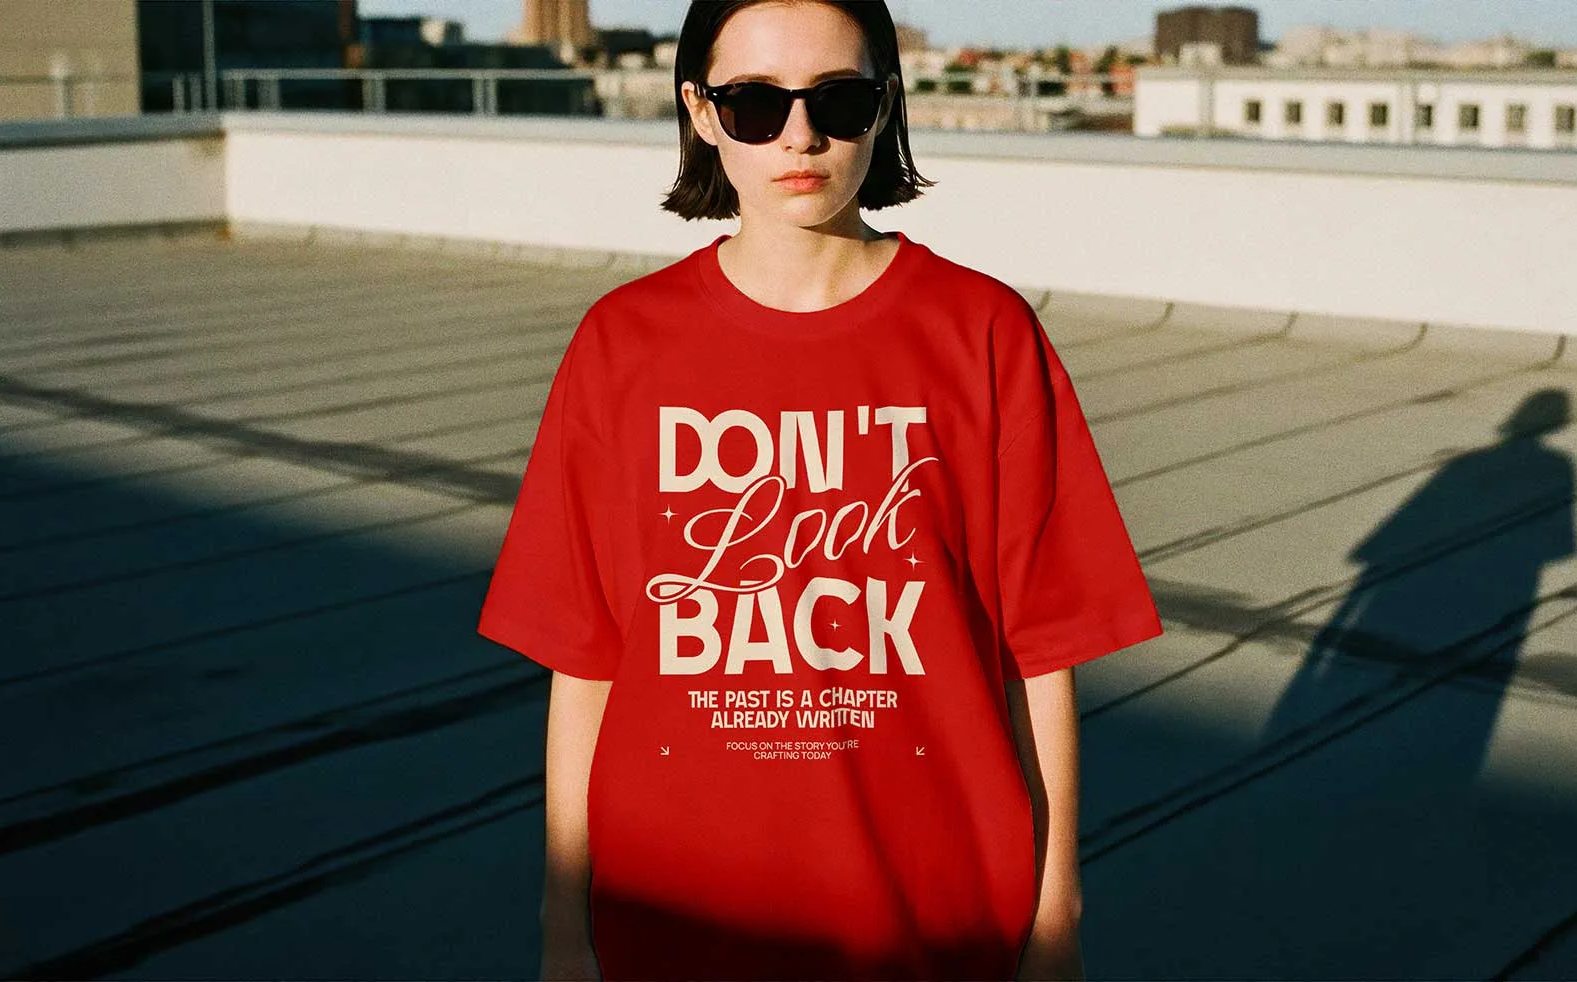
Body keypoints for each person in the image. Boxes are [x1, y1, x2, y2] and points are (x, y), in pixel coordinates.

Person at [476, 2, 1163, 979]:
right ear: (700, 112)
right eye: (754, 103)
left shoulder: (983, 335)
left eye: (836, 100)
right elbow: (585, 665)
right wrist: (562, 929)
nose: (799, 135)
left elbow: (1039, 658)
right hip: (676, 921)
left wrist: (1058, 922)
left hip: (936, 921)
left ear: (885, 108)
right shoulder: (621, 346)